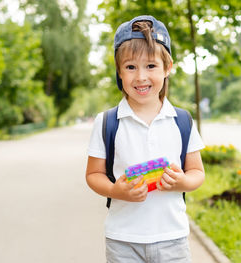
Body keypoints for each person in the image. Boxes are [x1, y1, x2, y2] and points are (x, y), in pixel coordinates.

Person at [85, 15, 205, 263]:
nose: (140, 77)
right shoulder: (107, 121)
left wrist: (182, 181)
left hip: (173, 238)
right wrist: (116, 190)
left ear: (167, 67)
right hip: (123, 240)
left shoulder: (182, 121)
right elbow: (93, 174)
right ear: (119, 71)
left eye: (151, 66)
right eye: (130, 67)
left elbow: (197, 173)